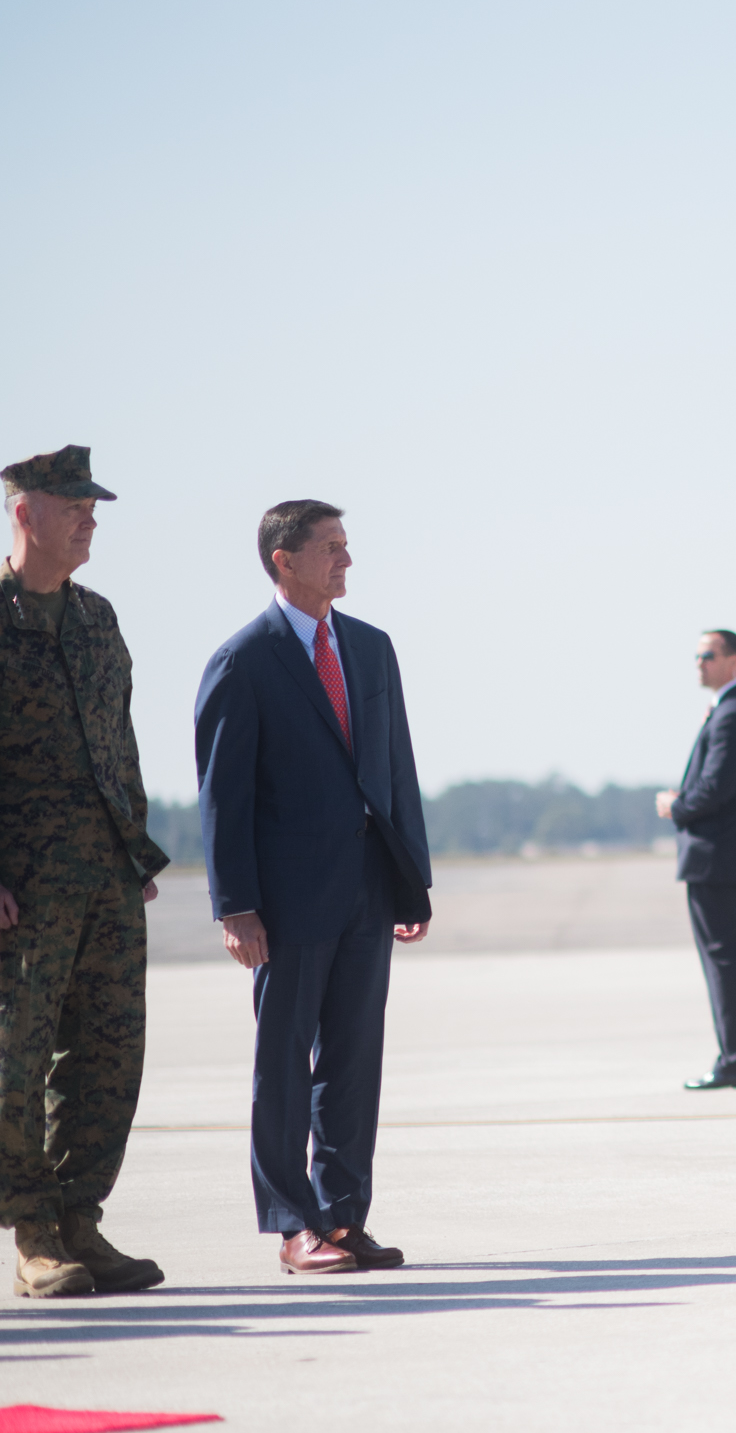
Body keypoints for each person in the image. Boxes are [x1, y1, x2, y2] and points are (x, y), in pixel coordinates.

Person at [194, 500, 433, 1275]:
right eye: (331, 548)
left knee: (355, 1061)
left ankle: (342, 1215)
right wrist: (235, 904)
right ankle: (294, 1223)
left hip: (367, 889)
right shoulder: (244, 661)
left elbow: (396, 771)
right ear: (282, 560)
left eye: (346, 546)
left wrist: (410, 883)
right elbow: (222, 797)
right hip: (288, 903)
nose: (346, 561)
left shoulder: (370, 648)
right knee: (284, 1062)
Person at [0, 447, 170, 1299]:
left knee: (107, 1055)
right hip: (22, 887)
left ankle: (79, 1221)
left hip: (105, 875)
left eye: (93, 504)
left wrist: (133, 847)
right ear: (23, 511)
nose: (89, 516)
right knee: (15, 1062)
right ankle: (33, 1234)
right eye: (72, 503)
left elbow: (119, 742)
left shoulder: (98, 619)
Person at [655, 631, 736, 1091]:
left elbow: (715, 789)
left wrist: (676, 805)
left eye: (707, 656)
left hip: (719, 859)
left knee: (724, 960)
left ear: (734, 660)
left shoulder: (735, 714)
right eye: (696, 657)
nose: (699, 664)